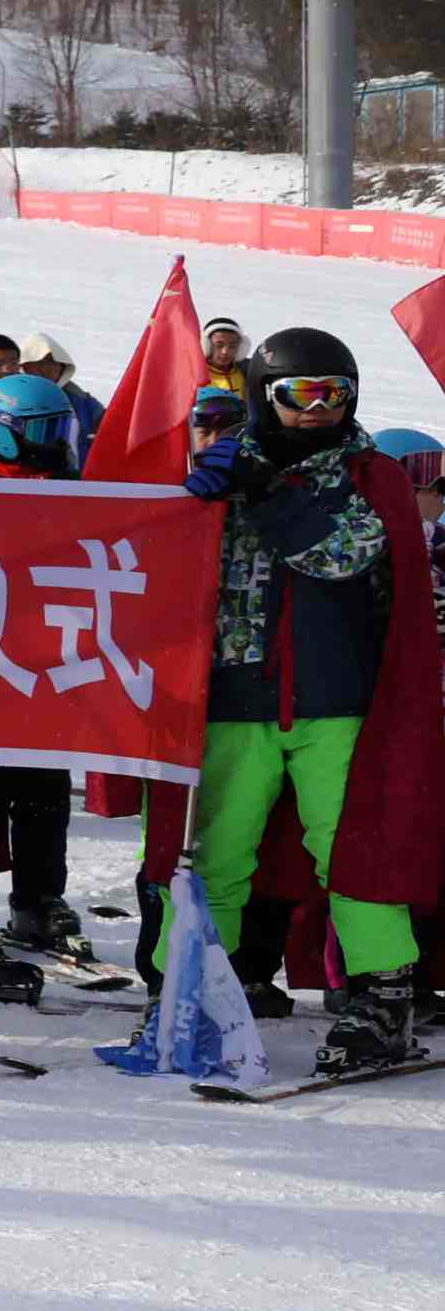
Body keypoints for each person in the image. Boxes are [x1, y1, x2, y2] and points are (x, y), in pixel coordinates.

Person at [182, 325, 435, 1076]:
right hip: (233, 697)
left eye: (334, 394)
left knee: (351, 849)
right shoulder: (221, 467)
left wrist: (263, 496)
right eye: (299, 395)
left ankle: (383, 996)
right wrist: (189, 494)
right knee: (215, 855)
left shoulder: (368, 475)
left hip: (333, 701)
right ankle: (192, 987)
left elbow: (347, 553)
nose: (317, 409)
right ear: (264, 396)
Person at [0, 368, 97, 1001]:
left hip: (42, 661)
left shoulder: (73, 485)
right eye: (39, 429)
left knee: (43, 787)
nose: (53, 439)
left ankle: (39, 898)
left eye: (59, 427)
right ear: (1, 432)